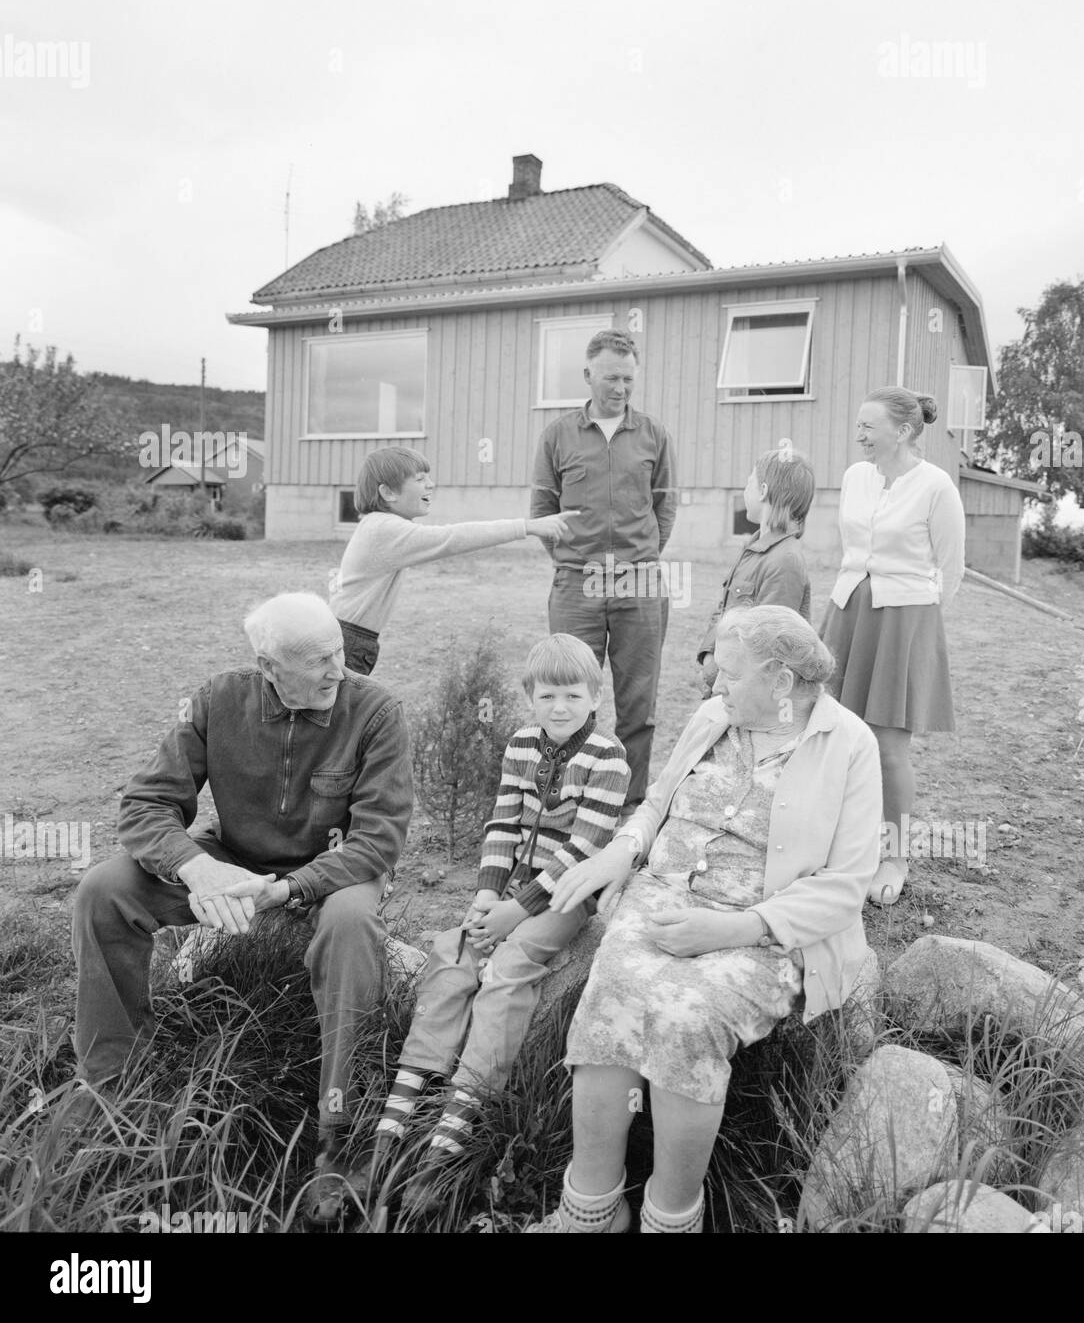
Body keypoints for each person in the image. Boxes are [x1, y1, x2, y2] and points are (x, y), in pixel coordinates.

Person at [523, 605, 882, 1234]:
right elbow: (656, 803)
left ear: (780, 680)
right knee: (613, 991)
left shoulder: (849, 744)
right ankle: (591, 1209)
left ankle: (672, 1217)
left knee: (687, 1018)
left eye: (730, 671)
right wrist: (622, 852)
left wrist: (733, 930)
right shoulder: (714, 717)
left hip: (761, 930)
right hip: (662, 896)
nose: (714, 682)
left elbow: (846, 886)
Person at [70, 592, 414, 1223]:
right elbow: (145, 806)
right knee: (103, 890)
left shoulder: (375, 710)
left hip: (334, 874)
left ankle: (341, 1132)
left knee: (349, 923)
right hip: (230, 863)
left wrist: (287, 891)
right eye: (318, 660)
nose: (338, 669)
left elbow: (378, 841)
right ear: (268, 666)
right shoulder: (214, 701)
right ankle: (111, 1085)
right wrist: (198, 867)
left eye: (339, 651)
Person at [367, 634, 629, 1214]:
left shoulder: (608, 758)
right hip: (513, 889)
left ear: (594, 698)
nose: (559, 707)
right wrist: (487, 898)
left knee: (510, 966)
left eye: (572, 695)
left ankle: (456, 1126)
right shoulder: (521, 744)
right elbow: (503, 824)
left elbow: (583, 847)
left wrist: (518, 911)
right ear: (529, 697)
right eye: (546, 695)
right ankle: (399, 1113)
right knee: (456, 950)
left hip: (569, 894)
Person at [819, 387, 965, 906]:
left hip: (903, 618)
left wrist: (914, 622)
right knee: (831, 732)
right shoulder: (855, 477)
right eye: (858, 425)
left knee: (887, 746)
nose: (859, 434)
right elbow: (850, 548)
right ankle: (840, 843)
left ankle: (895, 855)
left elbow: (951, 569)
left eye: (868, 426)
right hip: (848, 611)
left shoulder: (936, 486)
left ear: (902, 431)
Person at [530, 329, 676, 809]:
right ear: (588, 374)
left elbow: (664, 508)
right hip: (576, 584)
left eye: (629, 379)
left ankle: (629, 807)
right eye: (611, 377)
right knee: (565, 698)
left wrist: (641, 558)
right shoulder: (557, 436)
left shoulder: (653, 434)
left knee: (638, 706)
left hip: (640, 583)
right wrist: (576, 561)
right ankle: (568, 802)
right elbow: (542, 511)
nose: (620, 388)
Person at [330, 446, 575, 674]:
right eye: (419, 479)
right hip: (348, 641)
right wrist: (527, 527)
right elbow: (453, 537)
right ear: (387, 492)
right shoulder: (383, 529)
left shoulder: (378, 525)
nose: (431, 484)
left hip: (350, 637)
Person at [696, 446, 815, 694]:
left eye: (749, 482)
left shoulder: (785, 560)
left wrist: (721, 673)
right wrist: (709, 658)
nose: (744, 490)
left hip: (754, 694)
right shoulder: (754, 545)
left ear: (763, 491)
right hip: (727, 679)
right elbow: (725, 608)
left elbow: (768, 644)